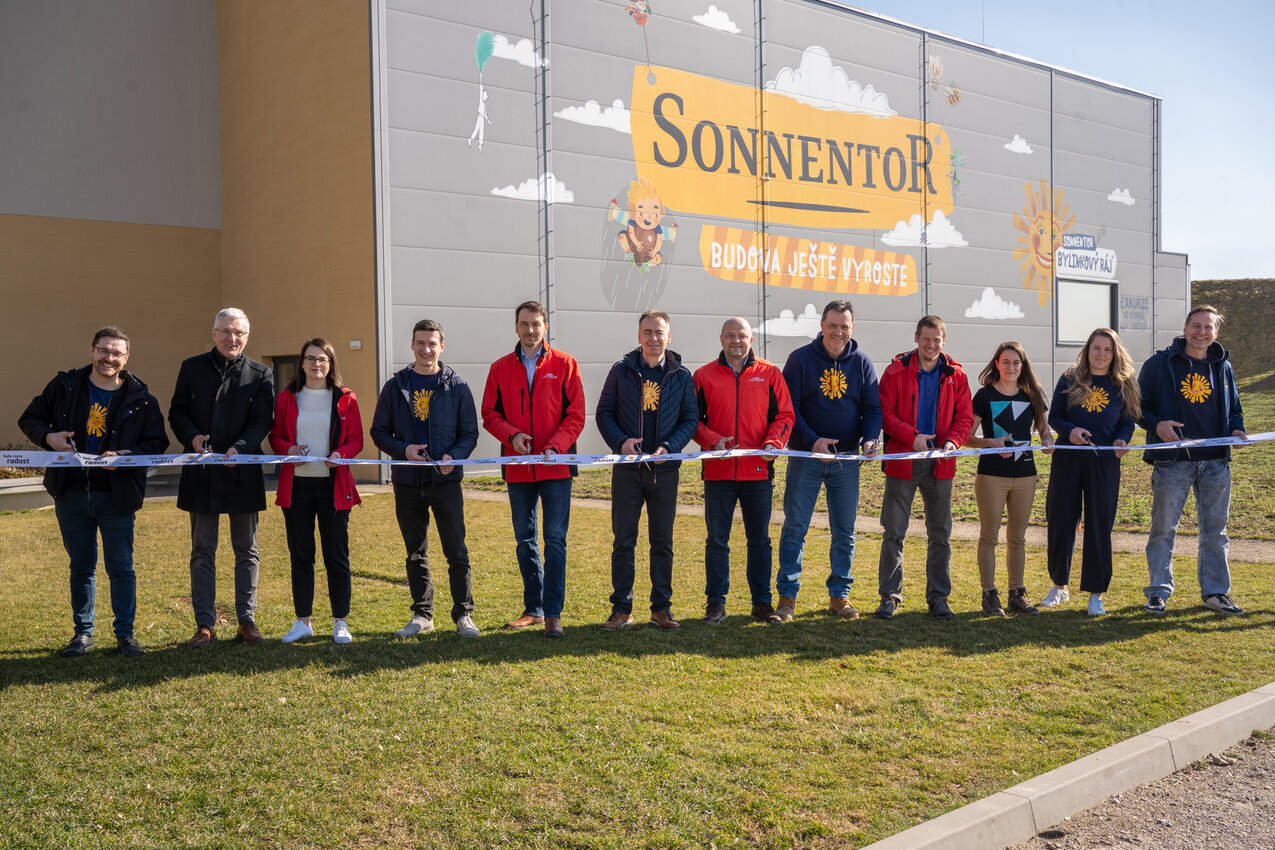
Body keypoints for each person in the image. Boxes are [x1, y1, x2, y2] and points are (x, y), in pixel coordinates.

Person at [19, 326, 168, 657]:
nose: (109, 358)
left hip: (117, 495)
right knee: (81, 566)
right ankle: (83, 634)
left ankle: (125, 635)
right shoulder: (65, 386)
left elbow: (157, 443)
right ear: (91, 351)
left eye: (116, 353)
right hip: (70, 492)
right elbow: (30, 418)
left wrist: (125, 457)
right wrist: (48, 437)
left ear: (126, 358)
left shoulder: (142, 399)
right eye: (103, 350)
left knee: (121, 567)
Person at [169, 308, 275, 646]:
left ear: (247, 336)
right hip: (201, 473)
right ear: (214, 333)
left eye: (239, 333)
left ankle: (247, 622)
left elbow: (262, 420)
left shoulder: (261, 374)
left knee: (247, 550)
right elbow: (177, 413)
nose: (233, 338)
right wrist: (192, 438)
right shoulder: (191, 368)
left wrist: (240, 448)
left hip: (243, 472)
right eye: (226, 331)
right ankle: (205, 625)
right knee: (203, 549)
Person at [481, 301, 586, 639]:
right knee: (525, 540)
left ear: (545, 327)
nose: (530, 330)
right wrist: (512, 436)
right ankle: (534, 609)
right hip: (518, 467)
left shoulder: (566, 364)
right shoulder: (499, 368)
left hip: (556, 467)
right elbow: (489, 414)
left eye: (536, 324)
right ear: (516, 327)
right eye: (524, 324)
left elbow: (576, 416)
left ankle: (553, 613)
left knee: (555, 539)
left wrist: (555, 446)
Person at [371, 319, 481, 639]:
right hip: (408, 483)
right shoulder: (396, 386)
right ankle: (423, 615)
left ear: (441, 346)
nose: (426, 349)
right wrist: (403, 449)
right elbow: (379, 431)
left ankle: (463, 615)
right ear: (412, 345)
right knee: (415, 553)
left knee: (456, 551)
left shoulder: (457, 386)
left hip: (445, 482)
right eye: (420, 343)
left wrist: (453, 457)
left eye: (432, 343)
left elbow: (469, 433)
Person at [776, 299, 881, 621]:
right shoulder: (800, 360)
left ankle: (840, 597)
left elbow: (872, 409)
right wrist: (813, 441)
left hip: (846, 460)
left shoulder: (862, 362)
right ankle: (787, 598)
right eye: (832, 325)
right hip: (806, 456)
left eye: (844, 326)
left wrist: (870, 438)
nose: (838, 332)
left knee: (844, 532)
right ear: (821, 325)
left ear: (852, 328)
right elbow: (790, 408)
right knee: (795, 528)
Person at [1138, 306, 1247, 616]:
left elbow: (1235, 410)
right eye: (1196, 326)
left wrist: (1236, 429)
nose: (1202, 332)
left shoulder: (1224, 367)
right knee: (1163, 530)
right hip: (1173, 461)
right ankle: (1158, 592)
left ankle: (1215, 593)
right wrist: (1156, 425)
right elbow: (1137, 407)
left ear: (1216, 332)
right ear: (1185, 328)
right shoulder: (1159, 364)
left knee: (1216, 532)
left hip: (1215, 463)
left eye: (1208, 327)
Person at [595, 311, 698, 631]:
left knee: (662, 542)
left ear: (669, 336)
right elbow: (604, 413)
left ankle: (661, 609)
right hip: (627, 470)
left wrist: (670, 447)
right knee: (624, 541)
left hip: (664, 472)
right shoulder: (621, 371)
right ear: (639, 336)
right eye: (647, 332)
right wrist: (621, 442)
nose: (654, 338)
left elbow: (690, 420)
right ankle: (621, 609)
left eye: (659, 332)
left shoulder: (681, 375)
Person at [692, 317, 795, 625]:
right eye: (730, 335)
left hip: (758, 472)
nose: (736, 341)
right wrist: (713, 441)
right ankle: (715, 603)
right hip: (718, 473)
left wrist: (774, 442)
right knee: (717, 540)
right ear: (721, 339)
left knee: (759, 540)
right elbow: (691, 421)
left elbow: (785, 415)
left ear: (751, 340)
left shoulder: (770, 373)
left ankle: (761, 602)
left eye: (742, 336)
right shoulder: (703, 376)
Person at [876, 315, 974, 620]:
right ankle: (889, 596)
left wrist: (953, 442)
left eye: (936, 340)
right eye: (926, 339)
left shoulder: (957, 375)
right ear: (916, 338)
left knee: (941, 534)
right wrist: (911, 437)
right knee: (894, 532)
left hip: (941, 464)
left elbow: (965, 418)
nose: (931, 345)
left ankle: (938, 597)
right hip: (903, 462)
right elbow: (884, 413)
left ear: (944, 341)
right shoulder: (894, 371)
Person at [269, 338, 364, 645]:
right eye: (310, 358)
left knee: (336, 556)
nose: (316, 364)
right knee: (301, 556)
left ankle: (340, 622)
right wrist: (289, 449)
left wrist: (341, 455)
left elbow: (356, 440)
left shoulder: (346, 398)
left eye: (322, 359)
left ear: (331, 363)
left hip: (333, 487)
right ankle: (303, 622)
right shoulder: (287, 397)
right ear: (302, 362)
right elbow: (275, 437)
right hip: (296, 487)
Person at [1041, 328, 1139, 617]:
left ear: (1115, 353)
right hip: (1068, 459)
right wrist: (1070, 431)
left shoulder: (1124, 383)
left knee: (1099, 524)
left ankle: (1096, 593)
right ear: (1088, 350)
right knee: (1061, 520)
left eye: (1107, 349)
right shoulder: (1070, 377)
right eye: (1096, 348)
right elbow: (1055, 416)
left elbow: (1128, 421)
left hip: (1104, 462)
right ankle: (1060, 585)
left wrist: (1122, 440)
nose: (1101, 354)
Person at [965, 341, 1052, 617]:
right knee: (989, 536)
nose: (1011, 367)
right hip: (991, 476)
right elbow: (966, 437)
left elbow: (1044, 431)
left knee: (1018, 537)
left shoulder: (1032, 395)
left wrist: (1048, 441)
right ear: (997, 364)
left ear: (1022, 366)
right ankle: (989, 595)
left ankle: (1017, 594)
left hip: (1026, 475)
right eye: (1006, 362)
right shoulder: (984, 396)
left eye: (1016, 362)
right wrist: (992, 443)